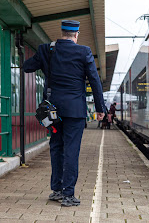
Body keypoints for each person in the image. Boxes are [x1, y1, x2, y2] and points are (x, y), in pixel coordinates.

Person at [23, 20, 105, 207]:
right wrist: (100, 109)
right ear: (76, 34)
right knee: (71, 150)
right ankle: (68, 195)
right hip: (75, 111)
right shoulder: (83, 51)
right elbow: (94, 81)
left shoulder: (47, 49)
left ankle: (56, 190)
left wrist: (46, 65)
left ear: (61, 32)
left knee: (56, 146)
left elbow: (27, 67)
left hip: (51, 110)